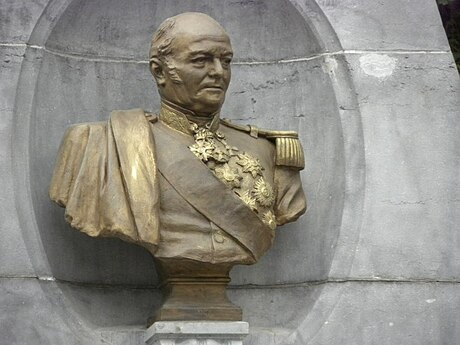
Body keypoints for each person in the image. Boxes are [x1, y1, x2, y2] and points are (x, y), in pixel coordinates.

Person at [50, 12, 306, 320]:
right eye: (201, 60)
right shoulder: (99, 144)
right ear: (159, 71)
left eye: (226, 61)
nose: (218, 72)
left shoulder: (267, 151)